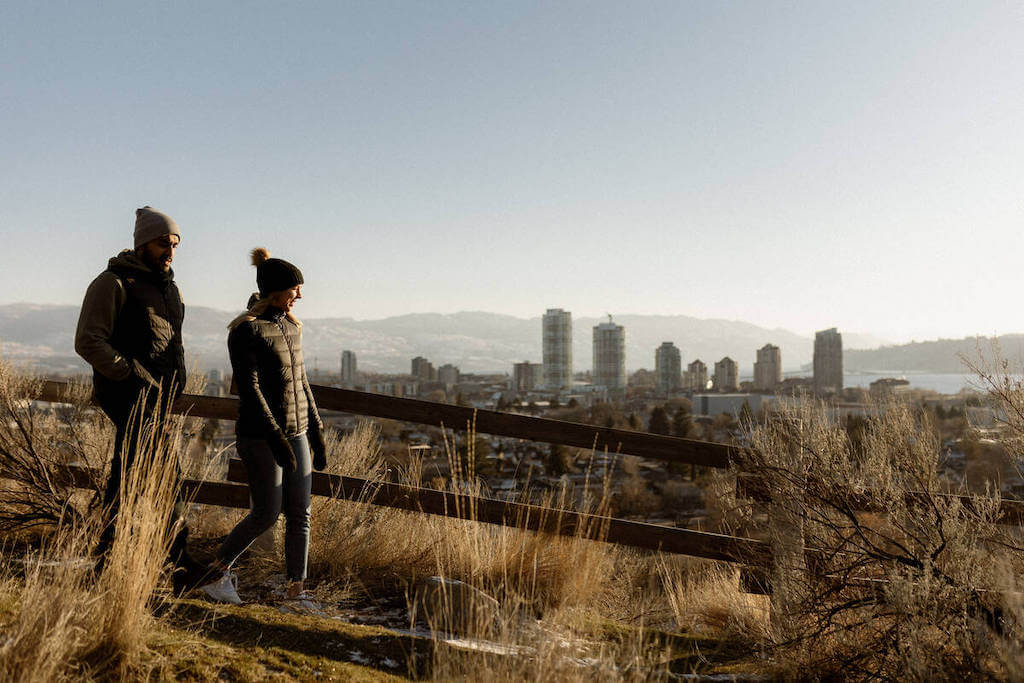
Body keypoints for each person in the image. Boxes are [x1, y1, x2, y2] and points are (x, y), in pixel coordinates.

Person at [74, 206, 204, 589]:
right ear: (143, 243)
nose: (171, 250)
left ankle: (105, 563)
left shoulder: (169, 288)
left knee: (127, 479)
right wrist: (129, 373)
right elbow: (88, 341)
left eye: (176, 243)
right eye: (164, 242)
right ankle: (178, 565)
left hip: (160, 399)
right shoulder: (113, 283)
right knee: (166, 477)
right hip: (129, 397)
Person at [199, 247, 327, 604]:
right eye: (294, 289)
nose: (300, 295)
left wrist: (316, 432)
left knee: (301, 514)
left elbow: (302, 382)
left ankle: (296, 591)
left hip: (296, 431)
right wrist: (276, 438)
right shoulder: (246, 331)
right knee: (267, 513)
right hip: (260, 437)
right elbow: (251, 390)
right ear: (274, 289)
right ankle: (215, 575)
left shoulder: (293, 327)